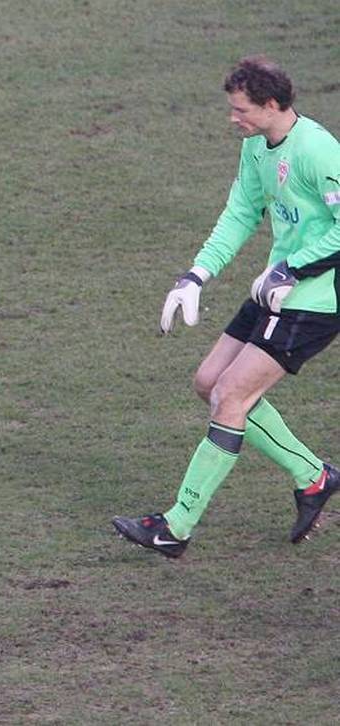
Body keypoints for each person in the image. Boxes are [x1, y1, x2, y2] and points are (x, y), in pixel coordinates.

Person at [113, 56, 340, 558]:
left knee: (231, 398)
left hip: (316, 300)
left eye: (241, 110)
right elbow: (240, 214)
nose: (232, 118)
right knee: (208, 383)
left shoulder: (317, 150)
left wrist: (295, 268)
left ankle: (176, 525)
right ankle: (314, 475)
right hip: (275, 288)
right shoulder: (256, 147)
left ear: (273, 105)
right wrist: (196, 275)